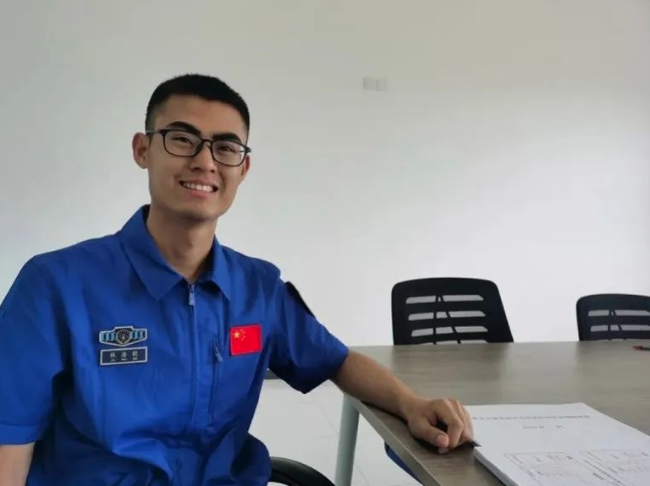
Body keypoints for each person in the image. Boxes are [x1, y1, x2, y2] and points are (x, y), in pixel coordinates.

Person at [0, 74, 473, 486]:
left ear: (242, 168)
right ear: (142, 150)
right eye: (182, 139)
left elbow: (335, 360)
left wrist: (411, 403)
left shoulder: (258, 288)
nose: (205, 161)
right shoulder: (54, 287)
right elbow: (9, 438)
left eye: (225, 148)